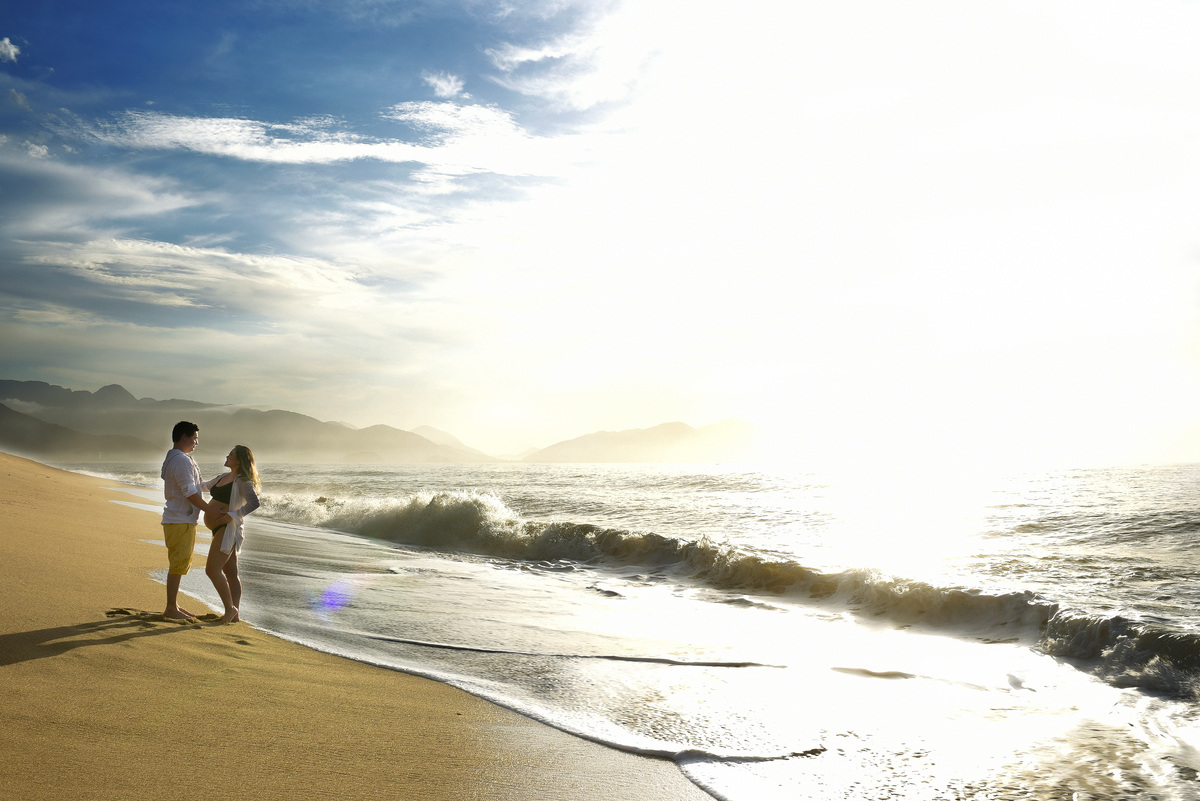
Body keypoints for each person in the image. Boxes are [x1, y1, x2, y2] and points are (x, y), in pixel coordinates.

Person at [160, 421, 221, 620]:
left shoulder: (176, 458)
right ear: (184, 436)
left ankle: (173, 605)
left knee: (179, 562)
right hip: (179, 519)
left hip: (179, 519)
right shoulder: (181, 461)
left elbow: (198, 486)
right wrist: (210, 510)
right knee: (178, 563)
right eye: (194, 438)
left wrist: (220, 481)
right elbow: (189, 493)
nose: (196, 442)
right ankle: (170, 608)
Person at [202, 445, 261, 624]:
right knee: (231, 572)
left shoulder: (243, 481)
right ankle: (235, 616)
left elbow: (254, 503)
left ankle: (230, 609)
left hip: (228, 529)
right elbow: (203, 486)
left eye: (231, 455)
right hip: (218, 529)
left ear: (240, 460)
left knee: (212, 570)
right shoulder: (222, 477)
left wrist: (233, 515)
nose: (227, 456)